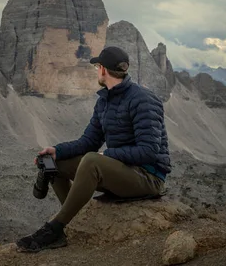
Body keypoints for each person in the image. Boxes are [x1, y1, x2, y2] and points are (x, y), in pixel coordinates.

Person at [16, 46, 171, 253]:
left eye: (97, 67)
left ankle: (54, 229)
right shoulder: (104, 101)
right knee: (57, 164)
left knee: (92, 160)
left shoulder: (143, 99)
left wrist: (106, 154)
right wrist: (56, 151)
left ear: (103, 70)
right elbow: (88, 141)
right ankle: (71, 225)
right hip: (124, 170)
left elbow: (149, 151)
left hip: (148, 177)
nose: (97, 71)